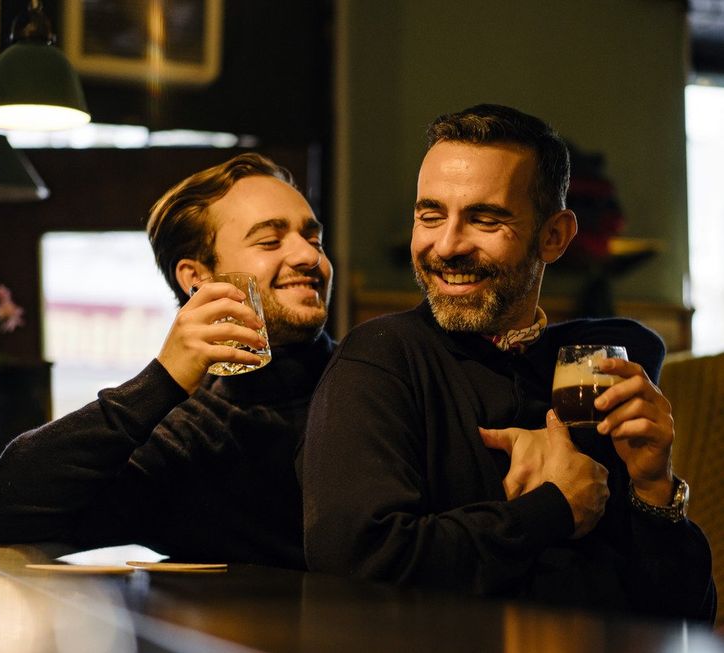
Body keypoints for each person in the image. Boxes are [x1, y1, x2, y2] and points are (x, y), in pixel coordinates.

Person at [301, 104, 716, 622]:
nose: (447, 245)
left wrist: (655, 488)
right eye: (430, 216)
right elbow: (353, 565)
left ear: (555, 236)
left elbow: (683, 620)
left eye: (484, 219)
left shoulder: (594, 375)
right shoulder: (382, 358)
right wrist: (554, 508)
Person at [0, 153, 334, 568]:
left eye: (313, 239)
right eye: (269, 240)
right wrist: (161, 382)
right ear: (198, 278)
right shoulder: (188, 442)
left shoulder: (374, 382)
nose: (309, 256)